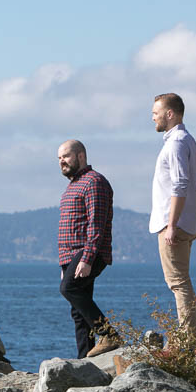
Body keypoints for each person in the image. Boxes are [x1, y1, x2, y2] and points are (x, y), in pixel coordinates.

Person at [150, 93, 196, 348]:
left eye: (156, 112)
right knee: (182, 283)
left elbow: (181, 184)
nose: (153, 117)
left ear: (170, 113)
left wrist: (171, 224)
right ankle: (194, 344)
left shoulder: (177, 143)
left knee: (178, 284)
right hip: (185, 221)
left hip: (175, 224)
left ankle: (190, 346)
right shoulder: (187, 141)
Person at [57, 139, 120, 358]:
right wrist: (64, 264)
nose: (61, 161)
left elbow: (96, 223)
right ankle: (85, 360)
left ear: (81, 156)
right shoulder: (72, 186)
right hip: (71, 255)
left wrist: (88, 258)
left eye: (66, 156)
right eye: (59, 158)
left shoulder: (94, 182)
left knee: (68, 289)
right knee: (77, 311)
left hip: (87, 253)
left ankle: (108, 334)